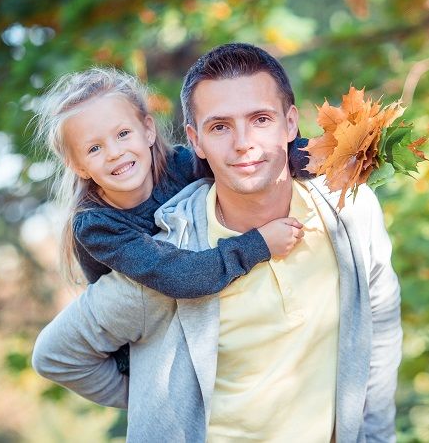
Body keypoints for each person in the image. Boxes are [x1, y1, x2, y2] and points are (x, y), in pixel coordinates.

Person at [32, 44, 402, 442]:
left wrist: (343, 155)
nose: (243, 143)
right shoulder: (130, 253)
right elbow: (57, 356)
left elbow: (379, 325)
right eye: (220, 127)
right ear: (197, 141)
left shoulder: (348, 211)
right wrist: (158, 394)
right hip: (169, 280)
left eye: (260, 119)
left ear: (290, 123)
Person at [33, 67, 308, 372]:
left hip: (211, 305)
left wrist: (316, 157)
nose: (114, 153)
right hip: (155, 343)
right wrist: (259, 244)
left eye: (123, 134)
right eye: (95, 148)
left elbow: (243, 162)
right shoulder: (96, 225)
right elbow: (179, 274)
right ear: (78, 166)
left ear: (148, 130)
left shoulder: (179, 165)